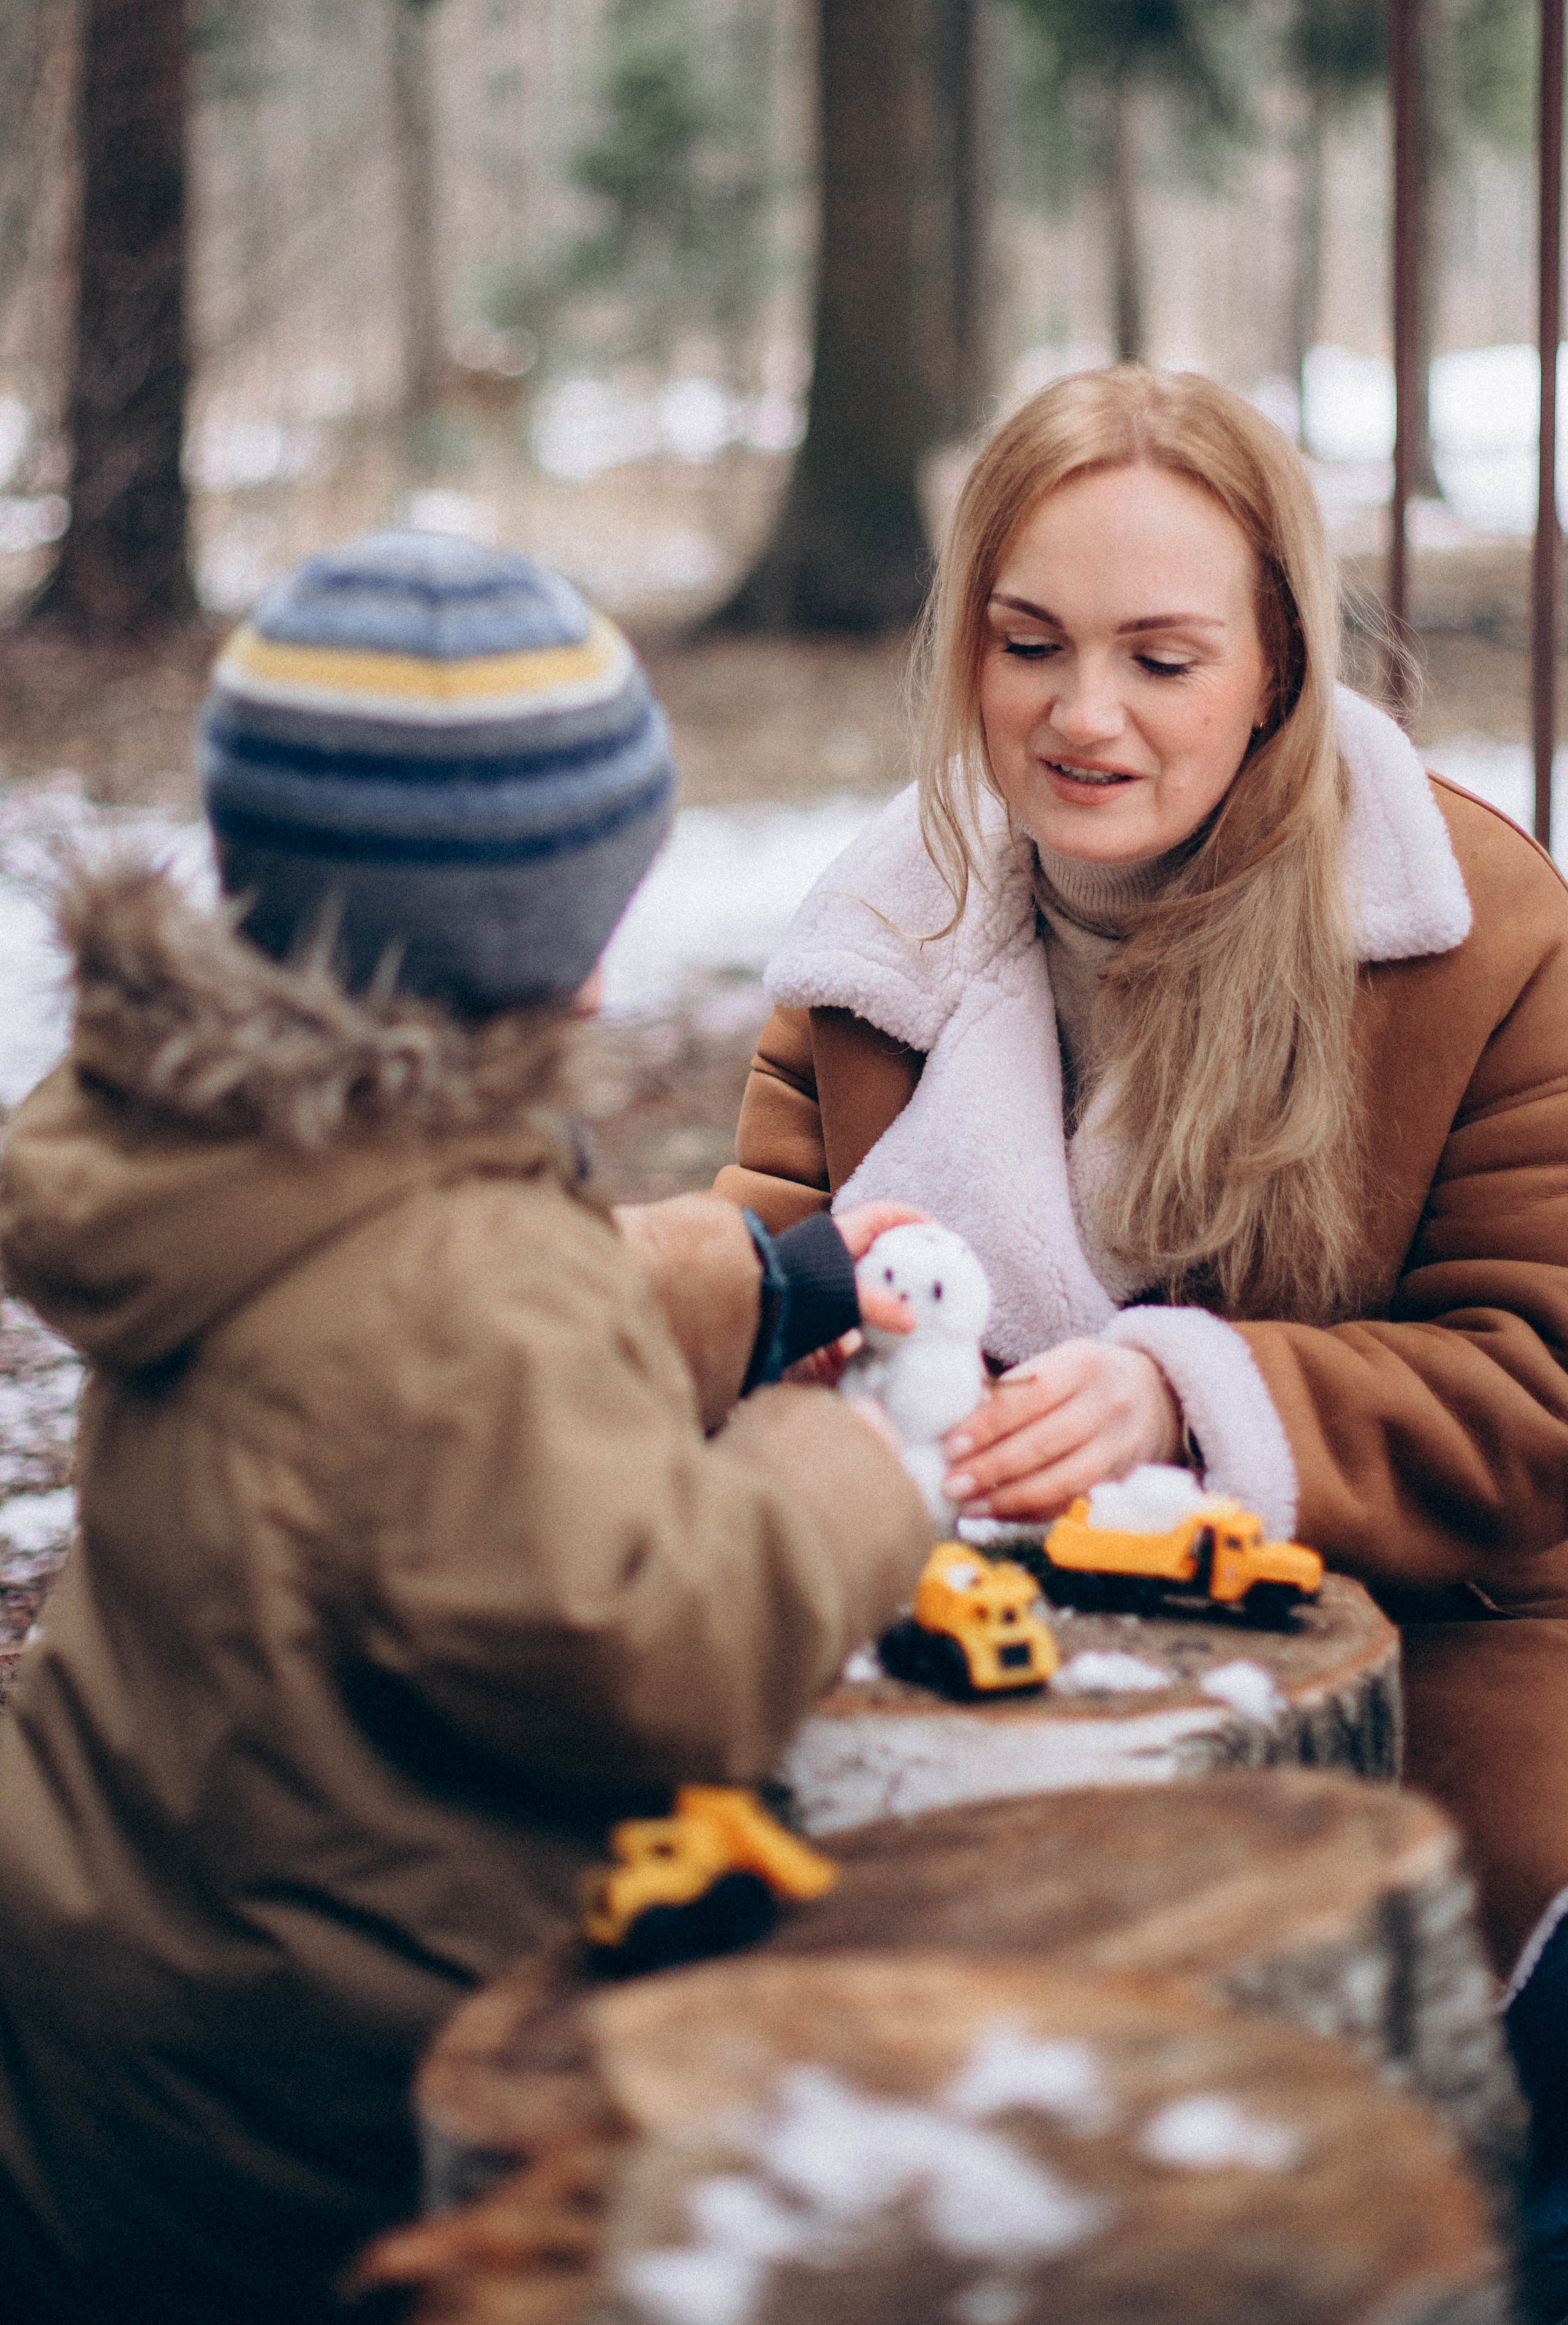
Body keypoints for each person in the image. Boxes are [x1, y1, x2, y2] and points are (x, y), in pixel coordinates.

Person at [0, 532, 933, 2325]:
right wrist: (858, 1466)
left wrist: (766, 1279)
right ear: (552, 946)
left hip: (118, 1992)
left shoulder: (230, 1150)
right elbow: (656, 1643)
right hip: (325, 2114)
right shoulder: (457, 1280)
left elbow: (412, 1367)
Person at [715, 366, 1568, 2302]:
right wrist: (830, 1377)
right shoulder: (880, 943)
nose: (1082, 717)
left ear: (1273, 661)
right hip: (966, 1695)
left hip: (1436, 1671)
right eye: (1030, 647)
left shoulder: (1472, 928)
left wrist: (1184, 1397)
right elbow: (760, 1291)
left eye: (1160, 660)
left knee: (1440, 2157)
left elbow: (1540, 1384)